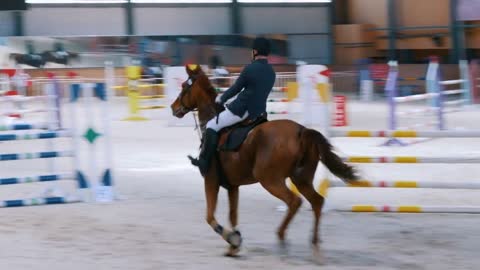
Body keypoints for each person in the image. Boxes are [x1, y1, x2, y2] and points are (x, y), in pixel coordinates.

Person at [188, 37, 276, 176]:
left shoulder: (250, 68)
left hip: (241, 110)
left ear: (255, 51)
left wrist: (221, 98)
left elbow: (236, 88)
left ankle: (204, 162)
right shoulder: (271, 72)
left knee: (211, 125)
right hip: (259, 113)